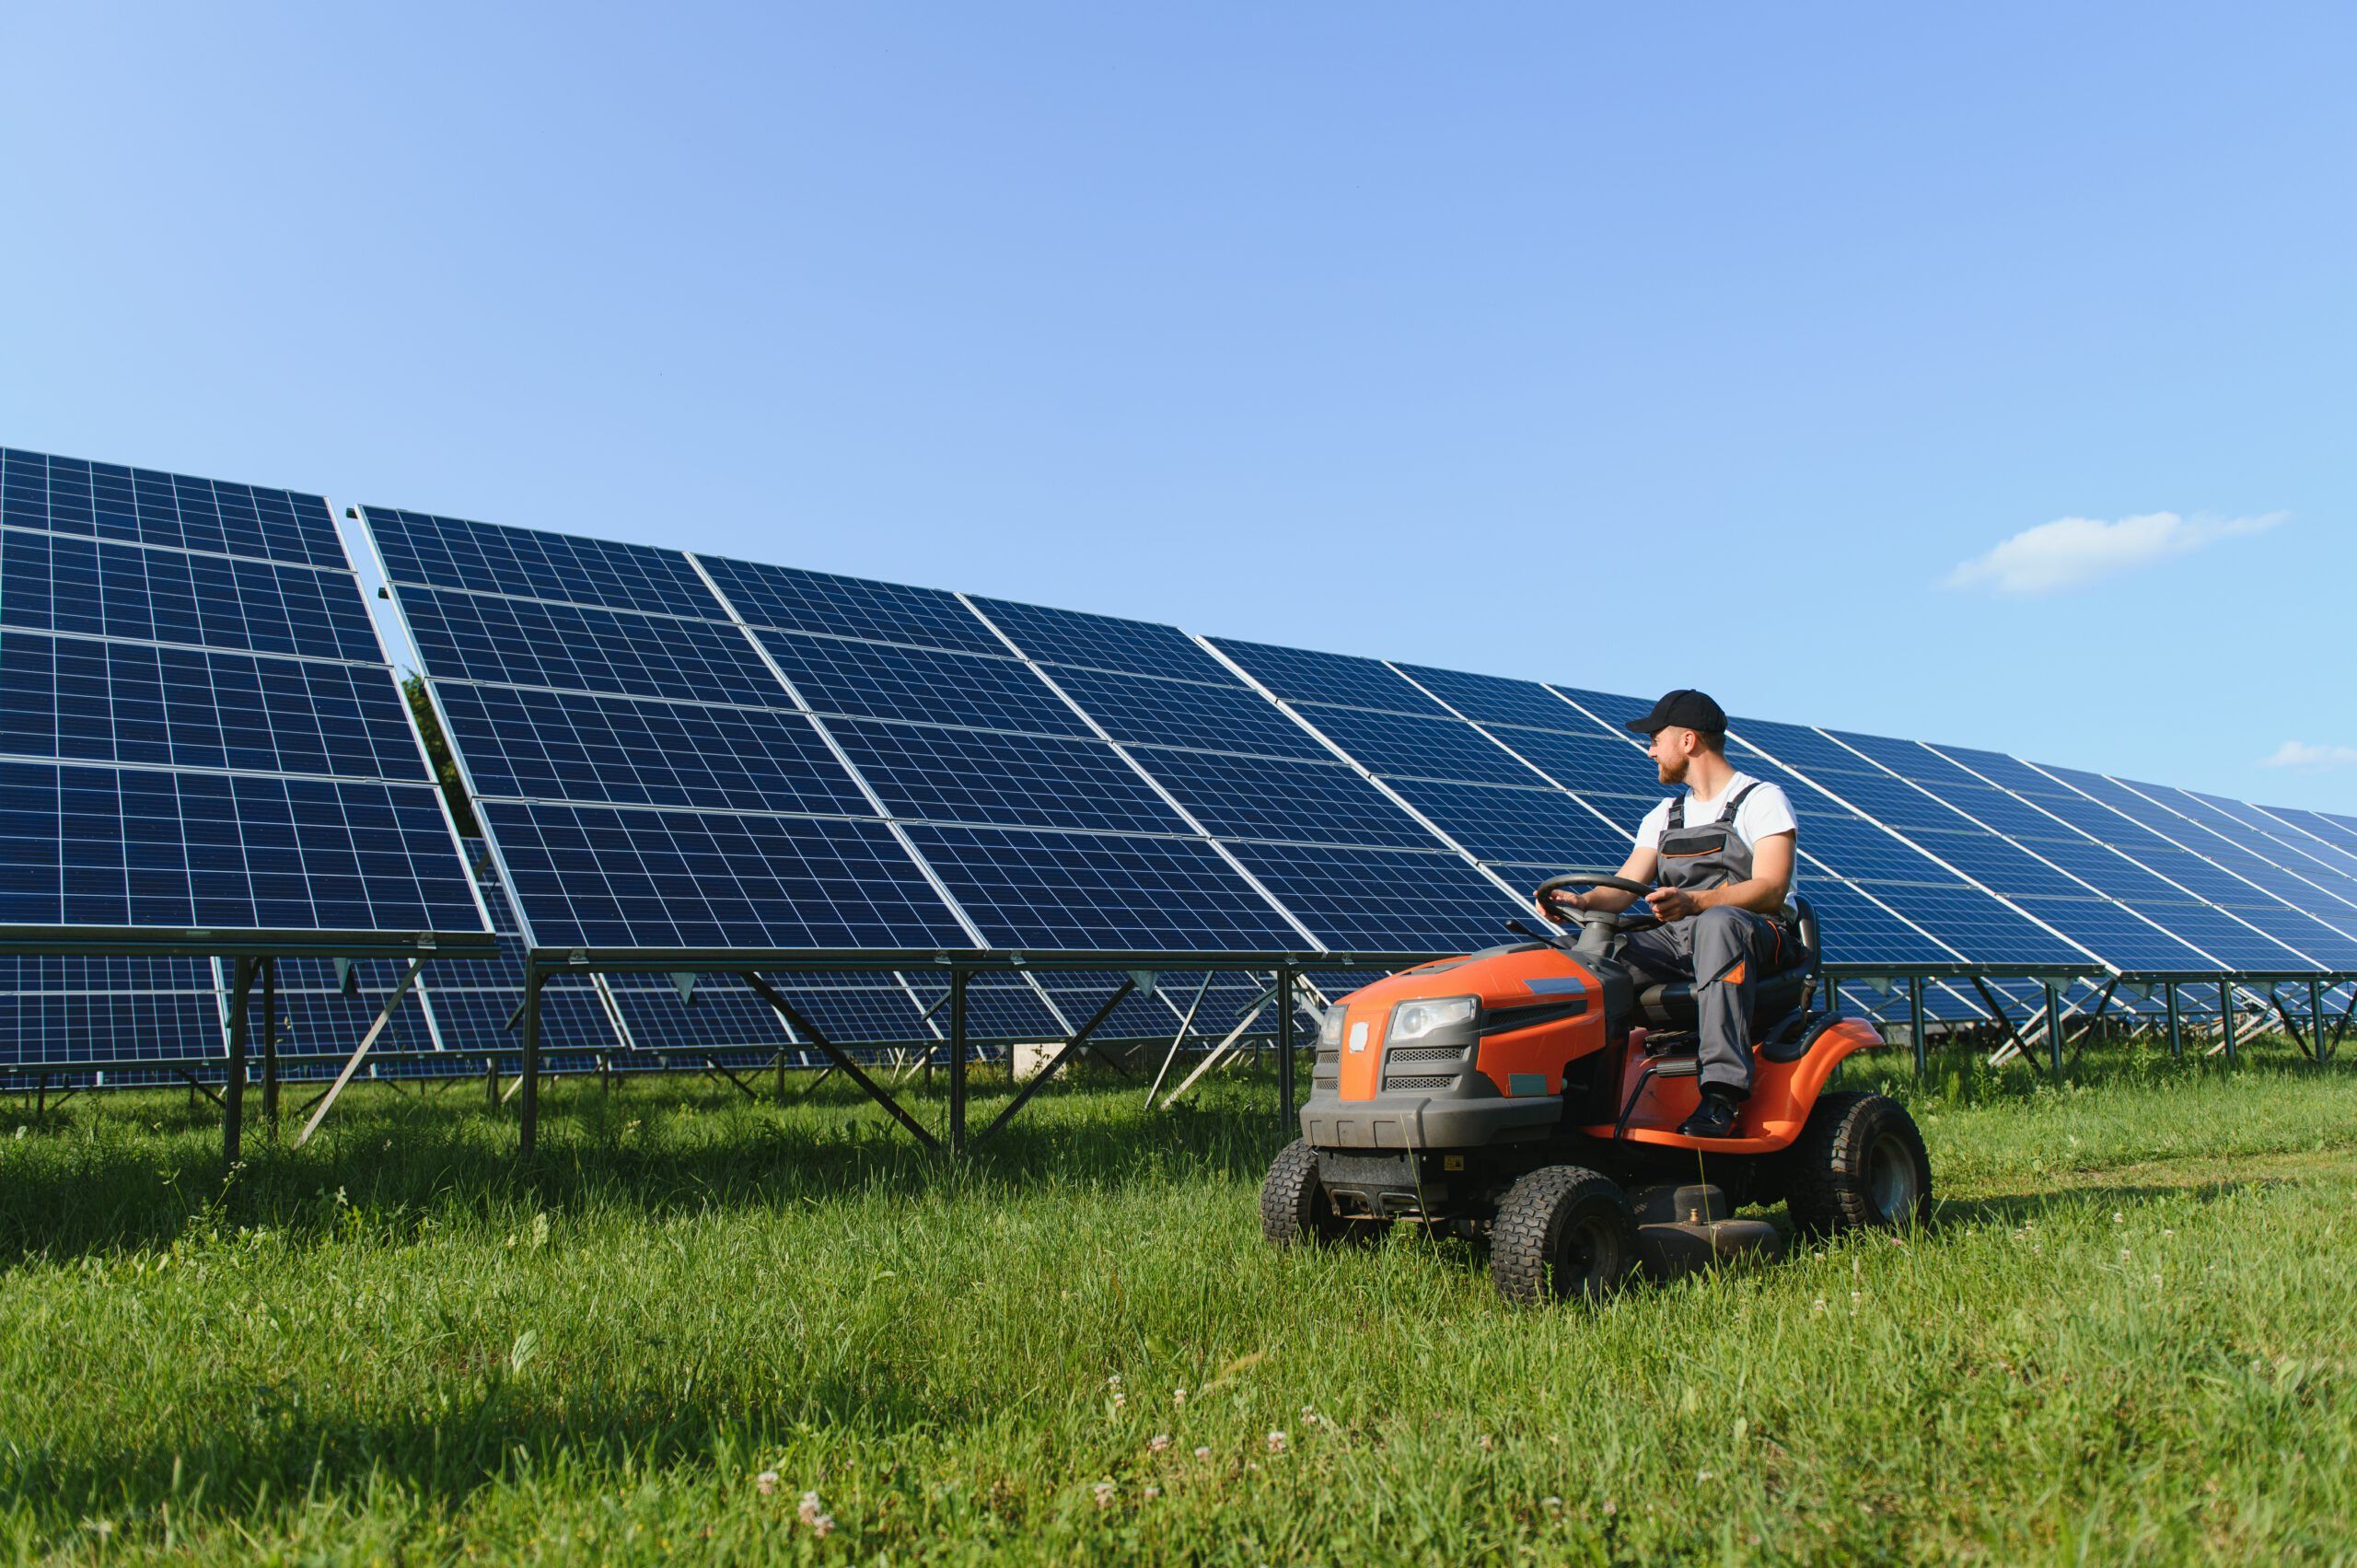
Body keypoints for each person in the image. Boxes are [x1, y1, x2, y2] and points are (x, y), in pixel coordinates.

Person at [1536, 689, 1798, 1139]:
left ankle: (1722, 1094)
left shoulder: (1761, 799)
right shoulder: (1664, 815)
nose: (1651, 750)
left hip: (1759, 936)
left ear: (1688, 741)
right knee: (1587, 958)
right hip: (1681, 939)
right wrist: (1580, 902)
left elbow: (1772, 889)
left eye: (1656, 739)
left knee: (1718, 925)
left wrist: (1696, 903)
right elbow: (1621, 890)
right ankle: (1571, 1096)